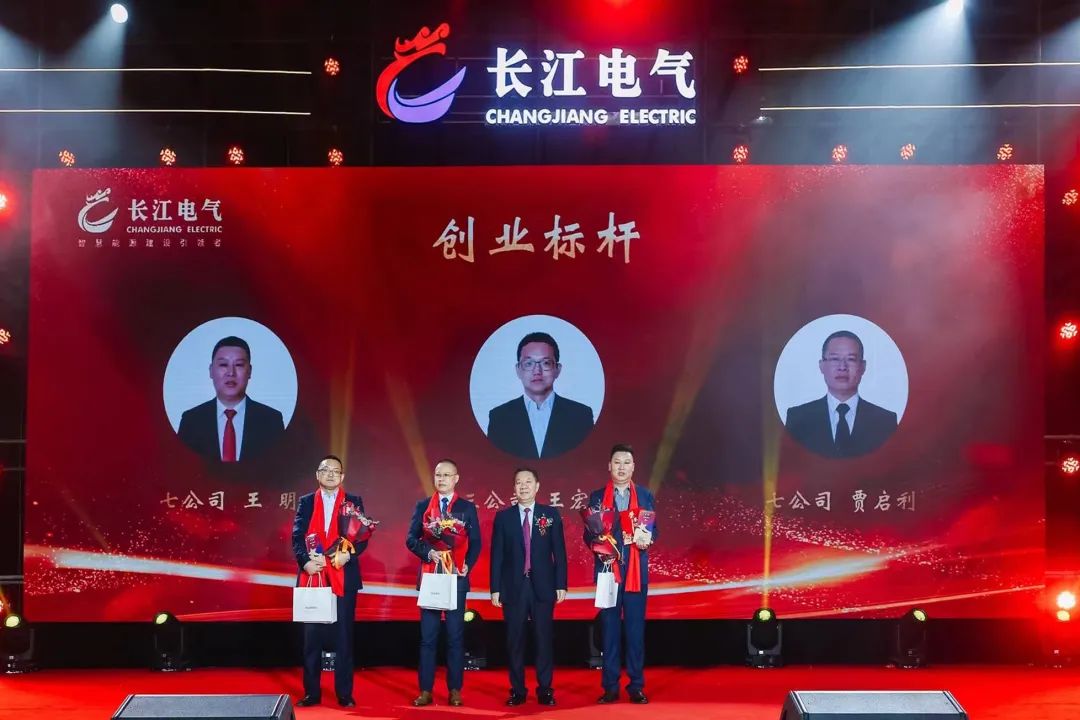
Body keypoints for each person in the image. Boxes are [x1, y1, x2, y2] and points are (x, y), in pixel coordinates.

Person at [291, 454, 369, 708]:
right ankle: (312, 693)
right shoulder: (306, 502)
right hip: (314, 573)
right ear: (318, 475)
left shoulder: (353, 502)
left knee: (344, 637)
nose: (331, 474)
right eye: (326, 470)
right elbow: (297, 536)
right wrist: (305, 562)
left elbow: (362, 537)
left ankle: (344, 693)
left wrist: (347, 555)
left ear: (342, 476)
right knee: (312, 638)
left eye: (336, 471)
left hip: (342, 574)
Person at [405, 459, 482, 707]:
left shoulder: (467, 508)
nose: (442, 479)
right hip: (431, 577)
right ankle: (425, 690)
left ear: (456, 479)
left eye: (447, 475)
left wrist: (468, 563)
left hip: (456, 578)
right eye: (438, 475)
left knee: (455, 637)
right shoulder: (423, 506)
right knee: (428, 638)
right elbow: (411, 539)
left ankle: (455, 690)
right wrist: (429, 552)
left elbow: (476, 542)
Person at [584, 443, 657, 704]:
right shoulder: (597, 497)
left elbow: (654, 529)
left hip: (636, 572)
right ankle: (610, 687)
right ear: (609, 466)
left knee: (635, 632)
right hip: (608, 572)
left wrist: (647, 539)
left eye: (626, 462)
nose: (622, 467)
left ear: (633, 467)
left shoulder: (645, 495)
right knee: (610, 631)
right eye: (617, 462)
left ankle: (636, 686)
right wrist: (598, 542)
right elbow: (588, 534)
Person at [490, 467, 567, 706]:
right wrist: (495, 588)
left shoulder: (550, 514)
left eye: (528, 482)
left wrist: (561, 583)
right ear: (514, 488)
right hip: (514, 586)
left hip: (543, 585)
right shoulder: (504, 518)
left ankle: (545, 689)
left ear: (537, 486)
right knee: (515, 640)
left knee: (543, 639)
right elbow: (497, 556)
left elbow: (559, 553)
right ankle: (518, 690)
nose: (523, 486)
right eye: (518, 482)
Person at [784, 330, 898, 458]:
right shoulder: (798, 418)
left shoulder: (885, 421)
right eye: (835, 359)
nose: (842, 367)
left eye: (851, 359)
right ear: (821, 366)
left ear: (863, 366)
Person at [486, 332, 595, 459]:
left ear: (558, 369)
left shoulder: (581, 415)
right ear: (518, 370)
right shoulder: (499, 417)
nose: (537, 371)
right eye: (529, 363)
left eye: (546, 363)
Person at [177, 336, 285, 462]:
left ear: (249, 371)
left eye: (239, 365)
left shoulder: (272, 421)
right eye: (223, 365)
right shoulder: (191, 421)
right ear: (211, 371)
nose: (231, 373)